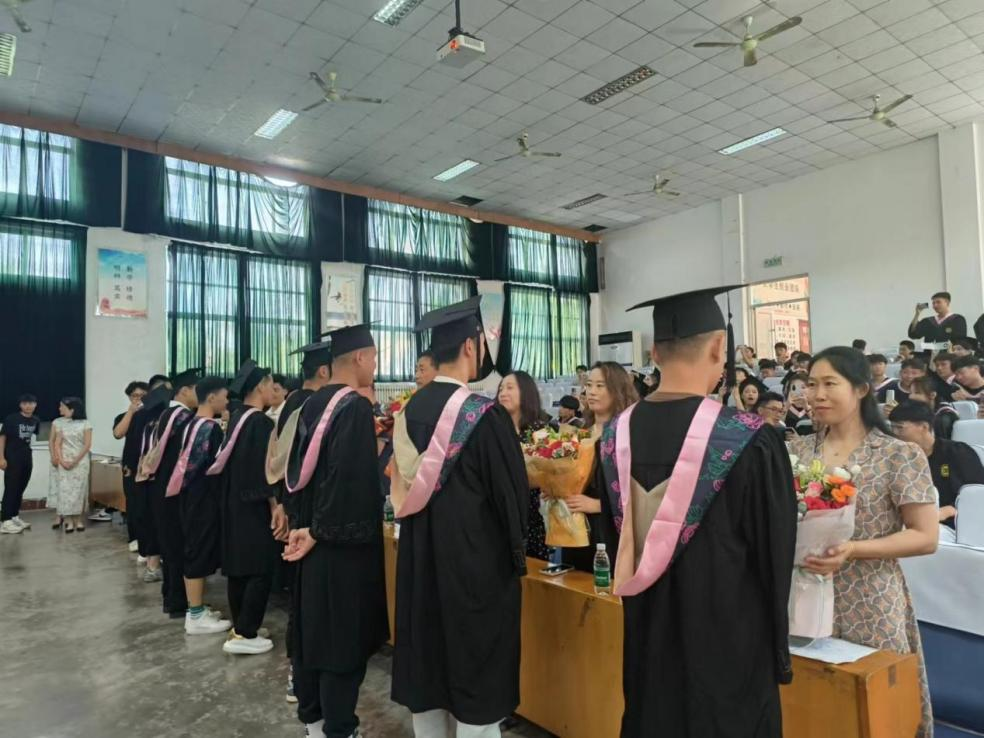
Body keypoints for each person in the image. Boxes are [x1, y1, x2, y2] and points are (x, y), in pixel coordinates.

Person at [601, 286, 796, 738]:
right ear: (718, 347)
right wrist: (779, 650)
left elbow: (615, 543)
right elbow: (775, 556)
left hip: (647, 640)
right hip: (730, 650)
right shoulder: (750, 438)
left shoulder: (614, 436)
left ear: (654, 353)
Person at [390, 296, 529, 738]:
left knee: (428, 673)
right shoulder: (485, 417)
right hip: (474, 572)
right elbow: (512, 500)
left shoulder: (407, 412)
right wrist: (517, 557)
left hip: (420, 565)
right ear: (471, 346)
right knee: (476, 678)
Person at [789, 347, 938, 738]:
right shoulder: (795, 451)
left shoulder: (898, 454)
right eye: (811, 384)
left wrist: (854, 550)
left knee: (878, 709)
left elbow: (925, 536)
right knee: (812, 704)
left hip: (870, 598)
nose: (817, 394)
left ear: (860, 389)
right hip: (802, 594)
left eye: (829, 384)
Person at [283, 325, 388, 738]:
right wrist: (321, 530)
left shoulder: (310, 404)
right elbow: (350, 481)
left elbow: (298, 474)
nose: (375, 366)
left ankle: (314, 724)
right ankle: (340, 728)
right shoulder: (354, 408)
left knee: (312, 634)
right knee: (341, 641)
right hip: (340, 546)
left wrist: (303, 526)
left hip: (309, 538)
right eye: (374, 357)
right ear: (360, 357)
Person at [273, 338, 336, 705]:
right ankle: (298, 675)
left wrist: (281, 502)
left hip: (295, 506)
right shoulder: (313, 405)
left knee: (300, 596)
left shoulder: (292, 402)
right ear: (325, 371)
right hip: (307, 515)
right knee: (305, 599)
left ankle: (298, 673)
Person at [213, 361, 287, 655]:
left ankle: (241, 626)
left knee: (238, 567)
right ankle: (245, 633)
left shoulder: (236, 418)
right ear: (259, 386)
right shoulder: (260, 423)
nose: (272, 390)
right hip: (254, 504)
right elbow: (264, 471)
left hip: (233, 501)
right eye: (270, 385)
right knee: (259, 567)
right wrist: (275, 504)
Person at [167, 376, 232, 636]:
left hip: (188, 494)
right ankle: (195, 615)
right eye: (225, 397)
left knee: (194, 549)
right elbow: (215, 467)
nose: (227, 402)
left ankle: (197, 608)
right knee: (198, 552)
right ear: (212, 397)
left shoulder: (192, 423)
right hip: (202, 497)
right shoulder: (210, 428)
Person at [144, 369, 200, 619]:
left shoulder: (167, 414)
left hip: (160, 488)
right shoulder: (183, 418)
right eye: (196, 389)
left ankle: (172, 597)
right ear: (184, 391)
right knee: (177, 545)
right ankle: (179, 602)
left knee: (170, 546)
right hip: (173, 490)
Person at [890, 401, 983, 528]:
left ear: (924, 427)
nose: (894, 433)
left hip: (953, 524)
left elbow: (976, 494)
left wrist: (946, 511)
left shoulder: (957, 452)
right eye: (892, 427)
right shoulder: (897, 458)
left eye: (900, 427)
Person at [497, 371, 551, 561]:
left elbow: (549, 471)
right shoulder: (493, 429)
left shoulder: (540, 430)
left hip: (531, 515)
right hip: (498, 514)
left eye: (509, 388)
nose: (503, 393)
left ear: (525, 392)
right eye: (501, 389)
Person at [130, 377, 172, 580]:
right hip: (146, 477)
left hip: (166, 476)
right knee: (149, 519)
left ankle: (164, 562)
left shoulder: (172, 414)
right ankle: (152, 565)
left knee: (165, 520)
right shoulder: (141, 415)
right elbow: (132, 445)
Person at [111, 381, 149, 546]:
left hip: (149, 463)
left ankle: (149, 539)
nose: (138, 399)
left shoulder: (153, 415)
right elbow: (118, 434)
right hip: (131, 465)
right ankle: (134, 537)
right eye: (135, 396)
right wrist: (131, 412)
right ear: (129, 397)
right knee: (133, 502)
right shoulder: (123, 416)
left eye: (142, 395)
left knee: (148, 502)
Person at [50, 398, 93, 533]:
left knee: (79, 491)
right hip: (64, 460)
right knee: (65, 491)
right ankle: (68, 520)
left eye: (63, 406)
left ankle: (78, 520)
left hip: (80, 462)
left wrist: (75, 461)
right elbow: (57, 443)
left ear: (72, 409)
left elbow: (87, 445)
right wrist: (61, 460)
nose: (60, 409)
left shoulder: (85, 423)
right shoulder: (61, 424)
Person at [0, 394, 41, 534]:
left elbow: (31, 439)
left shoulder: (36, 420)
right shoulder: (11, 419)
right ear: (20, 405)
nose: (28, 406)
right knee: (11, 488)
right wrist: (1, 458)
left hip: (26, 457)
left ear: (35, 405)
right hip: (12, 457)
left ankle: (14, 516)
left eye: (31, 403)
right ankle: (5, 521)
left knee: (21, 487)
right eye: (25, 403)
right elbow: (2, 438)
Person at [906, 376, 959, 440]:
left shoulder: (943, 418)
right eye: (910, 393)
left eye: (917, 393)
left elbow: (943, 443)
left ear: (932, 395)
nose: (911, 397)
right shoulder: (915, 410)